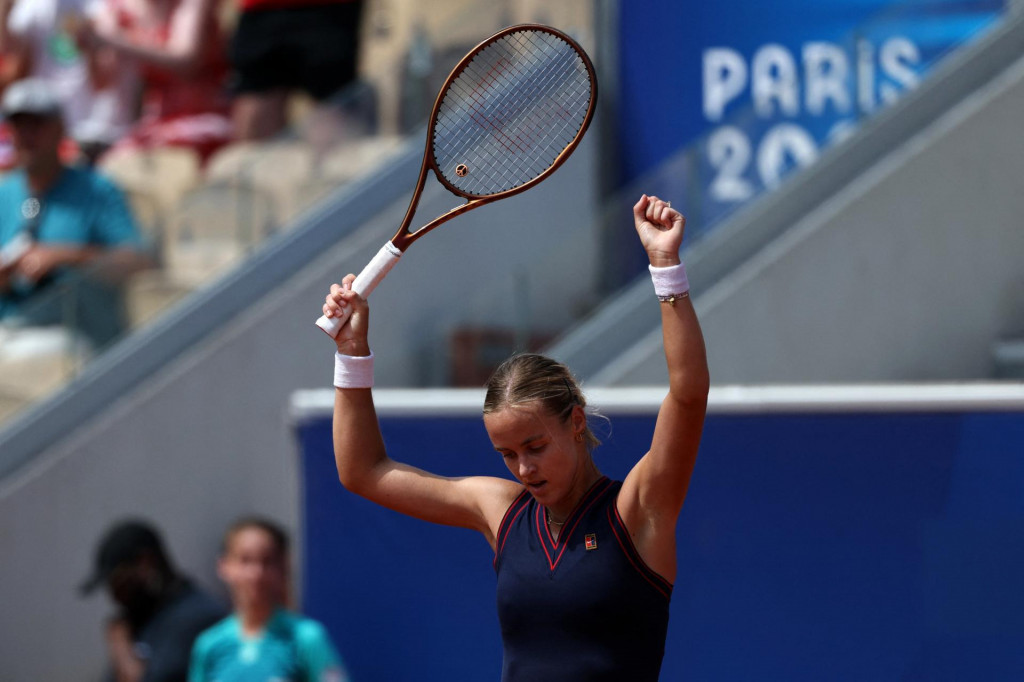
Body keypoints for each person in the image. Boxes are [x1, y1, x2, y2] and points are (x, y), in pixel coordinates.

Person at [321, 194, 710, 680]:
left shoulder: (637, 510)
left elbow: (688, 395)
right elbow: (363, 472)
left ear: (576, 421)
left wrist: (665, 265)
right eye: (507, 454)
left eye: (535, 447)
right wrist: (352, 352)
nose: (524, 469)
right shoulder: (502, 513)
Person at [0, 77, 150, 350]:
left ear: (59, 129)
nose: (26, 135)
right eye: (18, 125)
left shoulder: (97, 189)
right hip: (12, 325)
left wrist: (63, 256)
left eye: (37, 124)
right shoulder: (5, 194)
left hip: (75, 333)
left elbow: (137, 261)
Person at [189, 517, 350, 682]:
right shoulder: (209, 644)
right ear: (224, 566)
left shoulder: (306, 638)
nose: (256, 574)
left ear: (283, 567)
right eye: (245, 560)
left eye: (267, 562)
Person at [82, 0, 232, 163]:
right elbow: (102, 83)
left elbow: (186, 62)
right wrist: (91, 49)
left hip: (204, 117)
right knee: (109, 166)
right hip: (156, 123)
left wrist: (114, 41)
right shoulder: (119, 8)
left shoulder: (191, 3)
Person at [80, 519, 228, 682]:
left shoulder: (196, 617)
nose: (115, 597)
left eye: (119, 583)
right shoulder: (144, 618)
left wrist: (121, 647)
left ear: (146, 563)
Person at [0, 0, 137, 162]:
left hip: (93, 136)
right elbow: (13, 69)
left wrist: (92, 47)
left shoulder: (104, 8)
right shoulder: (30, 7)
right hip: (43, 135)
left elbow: (104, 81)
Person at [229, 0, 364, 141]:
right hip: (260, 10)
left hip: (330, 10)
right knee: (256, 108)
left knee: (333, 105)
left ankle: (336, 161)